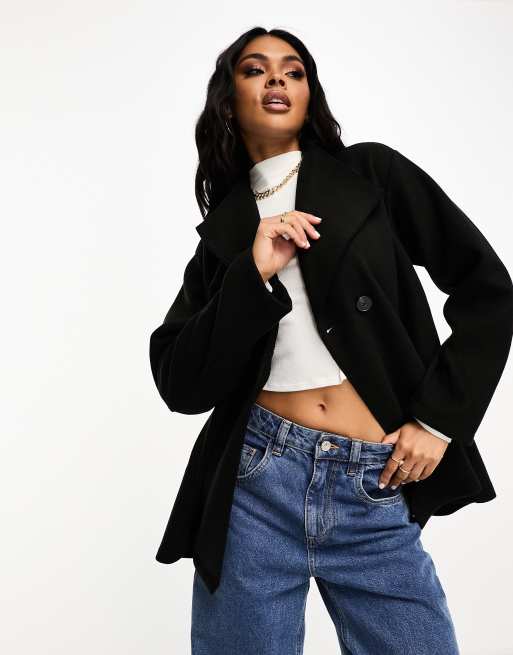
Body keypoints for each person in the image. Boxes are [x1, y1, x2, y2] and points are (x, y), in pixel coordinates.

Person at [149, 27, 513, 655]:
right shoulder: (225, 233)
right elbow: (180, 382)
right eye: (255, 69)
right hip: (256, 486)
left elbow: (489, 291)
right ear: (228, 101)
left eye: (293, 70)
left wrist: (439, 420)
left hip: (375, 481)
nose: (276, 79)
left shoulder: (371, 174)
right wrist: (252, 273)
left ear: (309, 94)